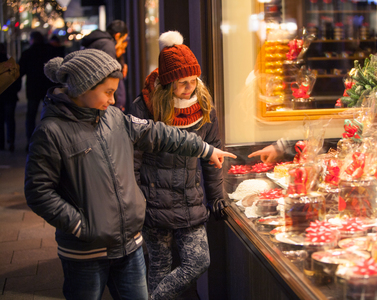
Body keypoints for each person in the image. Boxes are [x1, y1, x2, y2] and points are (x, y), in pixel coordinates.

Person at [24, 49, 236, 300]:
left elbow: (157, 133)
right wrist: (80, 226)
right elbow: (38, 191)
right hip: (86, 250)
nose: (113, 100)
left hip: (129, 244)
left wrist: (204, 148)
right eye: (108, 92)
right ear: (84, 88)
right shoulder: (51, 132)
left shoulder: (114, 117)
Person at [129, 31, 228, 300]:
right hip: (154, 203)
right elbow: (133, 161)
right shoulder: (145, 108)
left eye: (193, 80)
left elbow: (212, 156)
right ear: (166, 83)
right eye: (182, 82)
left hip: (190, 201)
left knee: (199, 261)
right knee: (158, 268)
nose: (190, 87)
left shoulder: (205, 107)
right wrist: (137, 205)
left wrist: (217, 197)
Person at [19, 31, 59, 151]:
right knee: (50, 116)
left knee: (31, 116)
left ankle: (30, 141)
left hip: (33, 89)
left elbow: (20, 72)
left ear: (32, 40)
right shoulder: (50, 51)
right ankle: (50, 142)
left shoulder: (28, 53)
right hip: (48, 88)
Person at [81, 20, 129, 112]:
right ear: (118, 35)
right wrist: (113, 106)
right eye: (123, 39)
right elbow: (111, 76)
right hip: (103, 105)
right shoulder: (107, 45)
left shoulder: (101, 42)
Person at [0, 43, 21, 152]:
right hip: (10, 97)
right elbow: (17, 80)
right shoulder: (11, 64)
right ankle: (11, 141)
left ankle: (1, 143)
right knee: (10, 119)